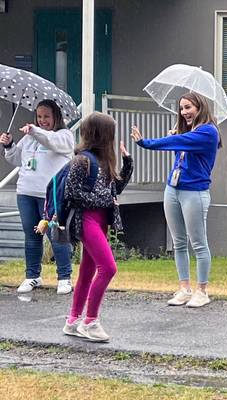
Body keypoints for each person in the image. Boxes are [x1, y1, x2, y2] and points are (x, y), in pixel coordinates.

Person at [130, 92, 221, 308]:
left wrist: (146, 142)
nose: (184, 112)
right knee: (178, 242)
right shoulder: (188, 131)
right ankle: (184, 288)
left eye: (188, 107)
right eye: (181, 108)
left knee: (198, 243)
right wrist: (179, 135)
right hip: (173, 189)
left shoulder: (208, 132)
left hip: (194, 192)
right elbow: (181, 149)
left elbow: (177, 142)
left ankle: (202, 291)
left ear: (200, 108)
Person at [61, 112, 133, 342]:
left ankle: (73, 320)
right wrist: (103, 201)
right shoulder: (81, 160)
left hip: (100, 220)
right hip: (87, 220)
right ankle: (90, 321)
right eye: (111, 133)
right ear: (102, 135)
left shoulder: (103, 161)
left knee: (87, 271)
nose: (113, 138)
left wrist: (127, 164)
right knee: (108, 268)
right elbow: (71, 193)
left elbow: (114, 191)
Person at [0, 99, 74, 295]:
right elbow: (17, 159)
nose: (42, 121)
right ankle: (32, 276)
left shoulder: (64, 136)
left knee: (55, 235)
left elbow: (50, 141)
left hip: (49, 196)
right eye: (39, 117)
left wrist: (34, 130)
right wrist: (9, 145)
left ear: (56, 117)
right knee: (31, 236)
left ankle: (64, 277)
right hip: (26, 192)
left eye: (46, 117)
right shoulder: (30, 137)